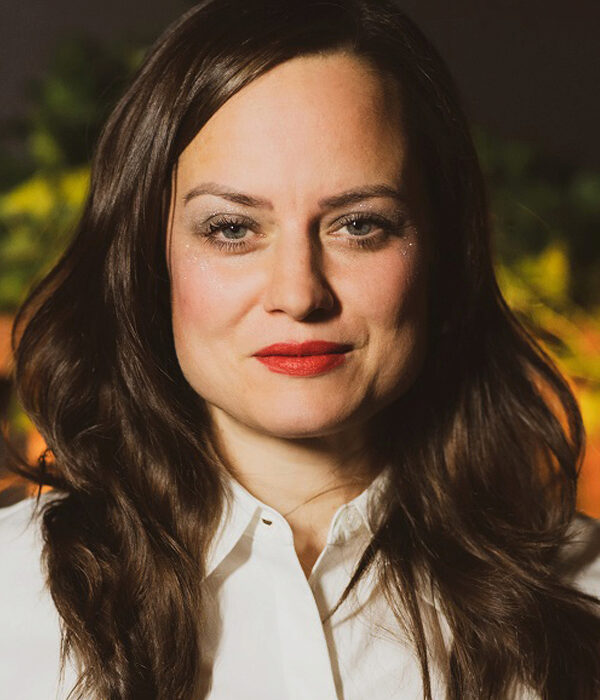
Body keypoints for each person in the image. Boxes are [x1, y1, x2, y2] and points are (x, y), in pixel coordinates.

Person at [1, 0, 599, 698]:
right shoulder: (10, 595)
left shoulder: (583, 595)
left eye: (359, 225)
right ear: (147, 257)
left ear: (439, 249)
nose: (299, 291)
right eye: (230, 228)